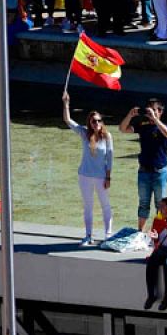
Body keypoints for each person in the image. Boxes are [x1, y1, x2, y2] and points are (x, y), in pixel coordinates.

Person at [61, 92, 114, 246]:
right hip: (84, 176)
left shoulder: (107, 136)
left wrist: (108, 177)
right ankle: (88, 235)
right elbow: (68, 121)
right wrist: (66, 104)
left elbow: (110, 158)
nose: (96, 123)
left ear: (102, 122)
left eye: (98, 120)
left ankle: (108, 235)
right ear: (89, 123)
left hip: (101, 177)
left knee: (105, 205)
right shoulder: (84, 133)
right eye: (93, 121)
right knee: (88, 206)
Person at [120, 99, 167, 232]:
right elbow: (122, 129)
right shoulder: (142, 126)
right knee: (143, 204)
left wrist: (155, 119)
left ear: (160, 111)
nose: (149, 113)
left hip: (159, 172)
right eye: (148, 110)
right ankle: (140, 232)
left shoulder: (164, 127)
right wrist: (130, 116)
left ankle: (160, 232)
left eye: (153, 110)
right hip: (143, 172)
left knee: (160, 205)